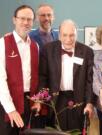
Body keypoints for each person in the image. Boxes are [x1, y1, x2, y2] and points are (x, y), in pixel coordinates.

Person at [38, 19, 94, 131]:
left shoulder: (87, 51)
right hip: (56, 99)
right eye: (64, 35)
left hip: (78, 99)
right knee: (56, 131)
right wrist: (40, 100)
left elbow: (89, 81)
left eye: (72, 35)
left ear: (77, 34)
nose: (68, 39)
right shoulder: (48, 49)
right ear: (59, 35)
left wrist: (89, 103)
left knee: (77, 130)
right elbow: (43, 77)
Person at [0, 5, 40, 135]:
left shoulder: (35, 46)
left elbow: (36, 77)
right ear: (14, 20)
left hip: (29, 102)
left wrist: (37, 100)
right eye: (22, 18)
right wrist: (10, 109)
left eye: (29, 19)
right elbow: (0, 80)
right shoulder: (2, 44)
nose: (26, 22)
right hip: (7, 102)